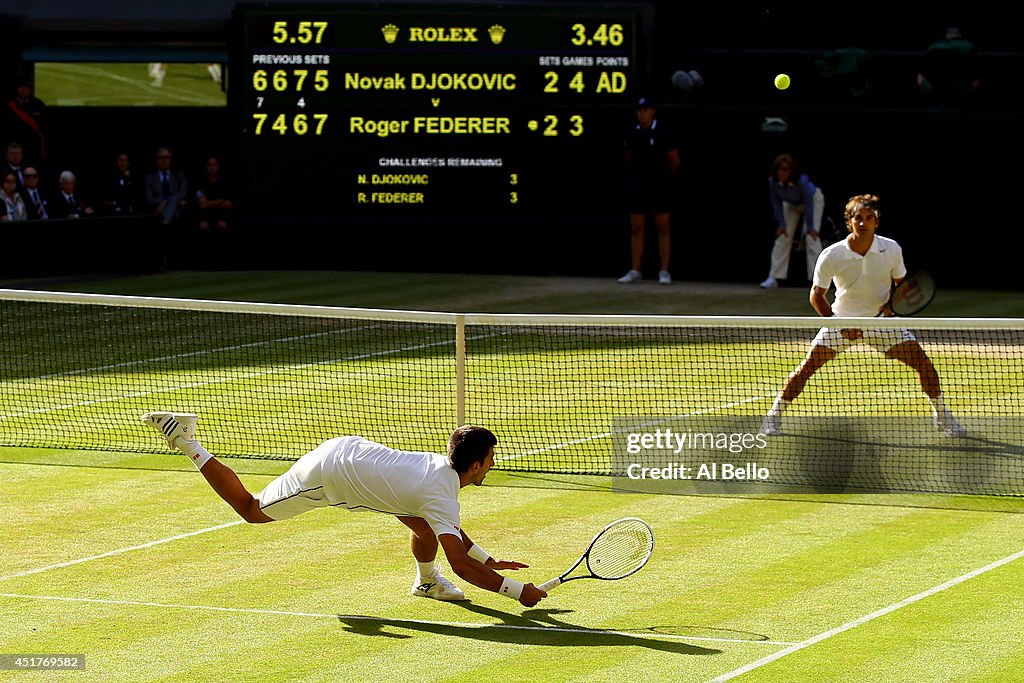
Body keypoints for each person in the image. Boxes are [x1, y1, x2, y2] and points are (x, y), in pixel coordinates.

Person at [140, 412, 548, 607]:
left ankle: (426, 583)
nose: (493, 463)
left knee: (422, 525)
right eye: (491, 458)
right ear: (475, 466)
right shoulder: (441, 495)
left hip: (348, 448)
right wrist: (516, 592)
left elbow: (448, 532)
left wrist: (487, 559)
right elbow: (459, 563)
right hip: (329, 475)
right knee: (252, 509)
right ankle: (187, 441)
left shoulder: (435, 475)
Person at [759, 194, 966, 438]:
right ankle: (773, 417)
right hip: (841, 319)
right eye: (858, 217)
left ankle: (942, 416)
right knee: (806, 369)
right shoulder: (831, 255)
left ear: (876, 222)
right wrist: (838, 325)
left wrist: (892, 305)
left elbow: (903, 286)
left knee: (924, 365)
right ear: (849, 221)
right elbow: (816, 296)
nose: (863, 222)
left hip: (881, 323)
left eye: (869, 218)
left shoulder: (891, 249)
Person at [618, 96, 679, 285]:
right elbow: (628, 157)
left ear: (652, 111)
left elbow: (674, 160)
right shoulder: (632, 133)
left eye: (645, 110)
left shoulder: (663, 132)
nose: (642, 114)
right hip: (638, 187)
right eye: (639, 110)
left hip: (659, 187)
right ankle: (636, 270)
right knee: (636, 227)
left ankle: (664, 271)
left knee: (663, 227)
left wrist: (662, 178)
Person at [760, 154, 825, 289]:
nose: (781, 172)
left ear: (791, 170)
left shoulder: (802, 182)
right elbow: (775, 203)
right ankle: (774, 277)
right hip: (790, 204)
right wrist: (782, 224)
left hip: (812, 201)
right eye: (778, 169)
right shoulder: (772, 181)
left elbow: (808, 204)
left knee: (811, 238)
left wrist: (811, 227)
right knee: (783, 237)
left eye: (785, 169)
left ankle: (818, 281)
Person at [917, 27, 981, 99]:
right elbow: (976, 73)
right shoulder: (969, 46)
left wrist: (923, 85)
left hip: (937, 85)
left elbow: (922, 72)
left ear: (947, 35)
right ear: (959, 35)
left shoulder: (934, 46)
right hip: (957, 87)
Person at [144, 146, 188, 226]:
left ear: (171, 159)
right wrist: (171, 201)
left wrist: (165, 202)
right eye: (161, 157)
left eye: (167, 157)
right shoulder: (149, 178)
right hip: (158, 209)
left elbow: (183, 193)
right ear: (156, 160)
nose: (164, 160)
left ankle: (165, 223)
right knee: (175, 211)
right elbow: (149, 199)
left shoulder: (179, 175)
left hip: (174, 209)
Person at [6, 82, 46, 163]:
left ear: (30, 89)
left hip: (35, 147)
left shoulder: (38, 104)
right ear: (16, 89)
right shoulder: (9, 106)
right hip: (17, 148)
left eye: (26, 87)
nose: (23, 90)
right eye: (21, 87)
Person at [195, 156, 233, 231]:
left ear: (218, 167)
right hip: (205, 216)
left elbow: (228, 204)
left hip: (221, 215)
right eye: (209, 165)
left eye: (214, 164)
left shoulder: (224, 181)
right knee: (203, 226)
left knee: (222, 225)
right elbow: (202, 203)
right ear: (206, 167)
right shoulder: (200, 181)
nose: (212, 167)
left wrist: (208, 203)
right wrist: (220, 202)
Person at [101, 152, 142, 216]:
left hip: (131, 212)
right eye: (120, 160)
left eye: (125, 160)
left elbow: (136, 196)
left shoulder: (135, 178)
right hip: (113, 211)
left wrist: (127, 178)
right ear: (116, 162)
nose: (122, 163)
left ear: (129, 162)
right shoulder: (109, 178)